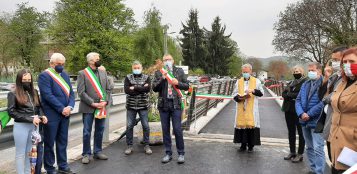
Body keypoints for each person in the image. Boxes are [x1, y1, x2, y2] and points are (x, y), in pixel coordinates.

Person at [38, 53, 75, 174]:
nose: (61, 66)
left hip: (65, 114)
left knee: (63, 141)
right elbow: (47, 95)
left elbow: (71, 93)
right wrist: (61, 108)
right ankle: (50, 168)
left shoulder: (64, 75)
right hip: (51, 115)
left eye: (63, 64)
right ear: (51, 63)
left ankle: (63, 166)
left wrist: (70, 106)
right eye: (59, 64)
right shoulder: (45, 76)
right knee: (49, 142)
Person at [7, 69, 48, 174]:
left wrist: (42, 116)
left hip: (34, 126)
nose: (27, 82)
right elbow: (11, 112)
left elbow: (38, 107)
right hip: (21, 126)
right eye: (24, 79)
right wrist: (31, 119)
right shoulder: (13, 93)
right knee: (20, 154)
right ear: (19, 80)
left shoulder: (34, 92)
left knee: (30, 153)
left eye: (29, 80)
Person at [152, 54, 189, 164]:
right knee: (165, 130)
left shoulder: (179, 71)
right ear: (162, 62)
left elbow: (187, 86)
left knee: (177, 129)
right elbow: (154, 88)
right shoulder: (159, 72)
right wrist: (162, 79)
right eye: (165, 60)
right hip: (164, 105)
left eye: (169, 59)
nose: (167, 61)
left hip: (176, 104)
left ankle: (181, 153)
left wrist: (178, 83)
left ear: (173, 61)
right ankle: (168, 153)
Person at [77, 52, 111, 164]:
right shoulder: (82, 73)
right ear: (91, 61)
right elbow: (81, 92)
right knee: (87, 131)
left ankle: (97, 151)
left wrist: (105, 102)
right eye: (97, 58)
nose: (99, 59)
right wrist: (93, 103)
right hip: (88, 107)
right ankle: (86, 153)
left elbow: (107, 89)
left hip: (101, 106)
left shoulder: (102, 72)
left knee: (100, 130)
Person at [329, 47, 357, 174]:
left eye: (351, 61)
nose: (347, 65)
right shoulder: (342, 82)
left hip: (353, 145)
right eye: (344, 62)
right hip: (336, 140)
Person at [295, 62, 325, 174]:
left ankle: (319, 172)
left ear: (319, 71)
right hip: (304, 120)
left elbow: (323, 102)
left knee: (318, 148)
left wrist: (309, 114)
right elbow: (298, 100)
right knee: (309, 147)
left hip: (317, 121)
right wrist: (301, 113)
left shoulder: (324, 83)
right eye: (309, 71)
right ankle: (313, 169)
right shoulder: (306, 84)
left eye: (312, 70)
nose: (310, 72)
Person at [232, 64, 264, 153]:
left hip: (252, 108)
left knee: (250, 125)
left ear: (250, 71)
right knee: (242, 125)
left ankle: (251, 145)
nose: (245, 73)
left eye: (247, 72)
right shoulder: (238, 82)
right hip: (241, 107)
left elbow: (261, 93)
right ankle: (242, 145)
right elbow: (234, 93)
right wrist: (238, 98)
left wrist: (253, 91)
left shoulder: (256, 81)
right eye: (244, 72)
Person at [123, 61, 152, 155]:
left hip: (143, 105)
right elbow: (127, 90)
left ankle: (147, 145)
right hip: (131, 106)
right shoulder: (128, 77)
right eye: (135, 68)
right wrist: (141, 88)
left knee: (146, 126)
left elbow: (147, 89)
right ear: (132, 68)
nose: (136, 69)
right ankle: (129, 146)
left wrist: (134, 87)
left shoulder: (147, 77)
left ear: (141, 68)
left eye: (138, 67)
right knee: (129, 126)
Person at [281, 66, 306, 162]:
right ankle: (292, 152)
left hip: (299, 110)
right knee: (291, 131)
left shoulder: (305, 82)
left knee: (300, 132)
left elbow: (301, 94)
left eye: (298, 71)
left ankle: (300, 154)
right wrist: (288, 95)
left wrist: (289, 95)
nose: (296, 72)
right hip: (289, 109)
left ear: (302, 72)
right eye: (295, 71)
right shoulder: (291, 82)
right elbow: (283, 93)